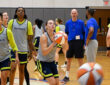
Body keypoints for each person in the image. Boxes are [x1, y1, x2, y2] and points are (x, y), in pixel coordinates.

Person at [8, 7, 36, 85]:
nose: (20, 12)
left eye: (22, 11)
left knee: (22, 70)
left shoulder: (28, 23)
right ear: (16, 13)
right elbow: (8, 36)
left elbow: (30, 40)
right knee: (12, 69)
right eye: (19, 11)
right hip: (13, 49)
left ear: (24, 13)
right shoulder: (11, 22)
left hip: (23, 50)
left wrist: (31, 51)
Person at [36, 20, 68, 85]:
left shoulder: (57, 36)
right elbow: (44, 52)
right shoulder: (44, 37)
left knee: (57, 83)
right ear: (46, 26)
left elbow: (66, 48)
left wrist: (65, 40)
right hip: (42, 63)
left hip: (52, 62)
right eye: (50, 23)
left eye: (53, 23)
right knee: (53, 83)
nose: (52, 25)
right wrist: (54, 43)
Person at [62, 9, 85, 82]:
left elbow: (84, 33)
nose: (74, 14)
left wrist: (84, 44)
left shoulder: (81, 22)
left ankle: (82, 76)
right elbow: (66, 34)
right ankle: (67, 76)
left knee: (80, 60)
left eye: (75, 13)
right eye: (72, 13)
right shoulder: (68, 23)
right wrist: (66, 43)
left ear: (77, 14)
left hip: (79, 42)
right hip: (70, 43)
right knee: (69, 60)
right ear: (70, 14)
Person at [0, 12, 19, 85]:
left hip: (5, 58)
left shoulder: (8, 32)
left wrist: (17, 56)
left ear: (1, 21)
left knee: (4, 78)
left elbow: (14, 45)